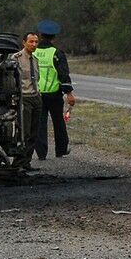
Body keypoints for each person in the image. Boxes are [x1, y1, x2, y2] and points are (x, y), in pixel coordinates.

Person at [34, 19, 77, 159]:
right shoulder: (57, 53)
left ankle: (41, 153)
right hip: (54, 94)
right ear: (54, 37)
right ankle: (61, 150)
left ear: (40, 35)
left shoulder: (33, 52)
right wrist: (69, 94)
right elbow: (64, 75)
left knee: (40, 125)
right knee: (58, 122)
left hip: (37, 94)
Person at [11, 32, 42, 170]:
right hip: (24, 98)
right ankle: (18, 163)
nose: (34, 44)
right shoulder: (16, 58)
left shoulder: (35, 59)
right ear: (24, 43)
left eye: (36, 42)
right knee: (24, 132)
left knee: (35, 133)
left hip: (36, 97)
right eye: (31, 42)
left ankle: (26, 162)